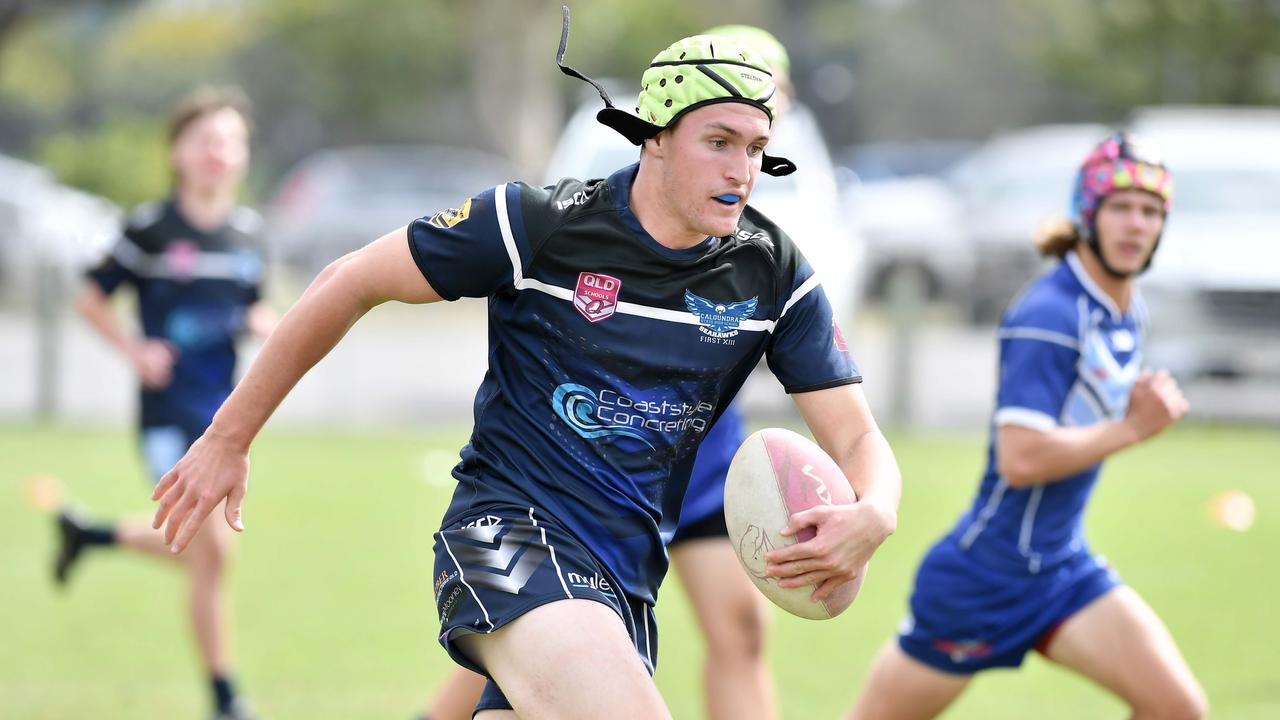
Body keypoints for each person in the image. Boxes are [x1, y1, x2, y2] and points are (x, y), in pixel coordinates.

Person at [151, 20, 901, 720]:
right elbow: (348, 281)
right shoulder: (538, 225)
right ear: (655, 140)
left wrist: (875, 512)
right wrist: (227, 437)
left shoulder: (770, 273)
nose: (743, 170)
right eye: (719, 141)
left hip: (622, 584)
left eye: (756, 147)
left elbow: (859, 440)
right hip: (505, 538)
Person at [414, 23, 798, 720]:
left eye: (774, 104)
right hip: (559, 479)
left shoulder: (770, 229)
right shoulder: (590, 202)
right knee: (540, 630)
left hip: (700, 464)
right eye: (721, 133)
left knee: (735, 631)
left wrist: (868, 509)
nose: (747, 147)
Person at [848, 132, 1206, 720]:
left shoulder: (1124, 310)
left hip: (1061, 568)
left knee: (1177, 708)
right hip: (986, 576)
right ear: (1087, 214)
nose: (1135, 224)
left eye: (1150, 211)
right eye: (1120, 207)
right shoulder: (1050, 315)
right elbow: (1022, 459)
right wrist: (1134, 427)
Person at [54, 86, 274, 720]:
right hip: (165, 417)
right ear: (177, 151)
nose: (220, 152)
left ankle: (89, 533)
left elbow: (250, 304)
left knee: (198, 548)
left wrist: (266, 323)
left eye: (231, 141)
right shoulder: (149, 229)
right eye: (206, 139)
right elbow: (91, 298)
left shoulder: (248, 233)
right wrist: (135, 351)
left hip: (225, 419)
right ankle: (226, 698)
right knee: (212, 550)